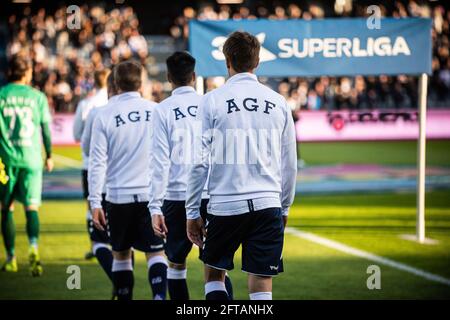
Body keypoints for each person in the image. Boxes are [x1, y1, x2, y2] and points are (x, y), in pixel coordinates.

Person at [185, 31, 297, 300]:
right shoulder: (279, 102)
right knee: (261, 284)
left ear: (227, 61)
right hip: (267, 203)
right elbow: (289, 164)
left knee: (214, 275)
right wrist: (284, 206)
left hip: (225, 204)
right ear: (257, 62)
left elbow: (199, 163)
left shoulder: (211, 100)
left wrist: (191, 211)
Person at [149, 51, 233, 300]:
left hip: (176, 196)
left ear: (168, 77)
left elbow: (159, 161)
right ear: (194, 76)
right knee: (216, 271)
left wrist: (155, 206)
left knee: (175, 265)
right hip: (213, 194)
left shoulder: (162, 110)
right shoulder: (212, 103)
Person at [89, 60, 167, 300]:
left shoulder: (103, 114)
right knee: (156, 254)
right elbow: (166, 157)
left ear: (115, 83)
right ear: (140, 83)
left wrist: (95, 202)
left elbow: (97, 162)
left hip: (117, 196)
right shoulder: (156, 110)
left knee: (121, 255)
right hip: (151, 196)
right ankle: (159, 297)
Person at [0, 54, 54, 276]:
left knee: (6, 208)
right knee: (31, 207)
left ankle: (11, 258)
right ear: (26, 73)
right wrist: (49, 155)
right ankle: (33, 249)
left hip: (3, 162)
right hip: (31, 160)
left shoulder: (1, 95)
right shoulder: (37, 96)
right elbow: (46, 129)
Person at [81, 70, 118, 299]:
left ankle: (119, 281)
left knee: (98, 240)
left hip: (103, 183)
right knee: (124, 244)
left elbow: (85, 146)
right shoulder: (149, 109)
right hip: (132, 186)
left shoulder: (96, 111)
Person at [72, 69, 109, 261]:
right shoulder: (114, 103)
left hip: (91, 164)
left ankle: (96, 244)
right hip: (117, 165)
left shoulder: (87, 104)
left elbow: (77, 134)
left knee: (92, 204)